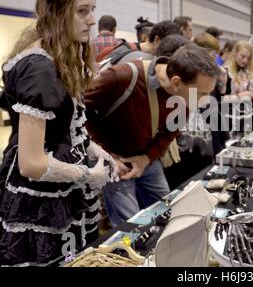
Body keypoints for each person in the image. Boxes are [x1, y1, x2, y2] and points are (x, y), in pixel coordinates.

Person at [0, 0, 118, 266]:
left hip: (62, 187)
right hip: (41, 197)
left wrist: (95, 150)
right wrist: (87, 176)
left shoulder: (61, 55)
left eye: (92, 11)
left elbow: (67, 125)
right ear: (57, 13)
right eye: (82, 11)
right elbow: (31, 163)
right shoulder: (41, 69)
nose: (91, 20)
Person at [85, 43, 220, 226]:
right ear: (176, 82)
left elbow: (171, 132)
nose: (206, 100)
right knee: (131, 229)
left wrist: (147, 158)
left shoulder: (185, 97)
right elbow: (79, 114)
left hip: (147, 160)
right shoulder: (123, 77)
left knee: (169, 215)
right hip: (115, 162)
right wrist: (108, 155)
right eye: (202, 93)